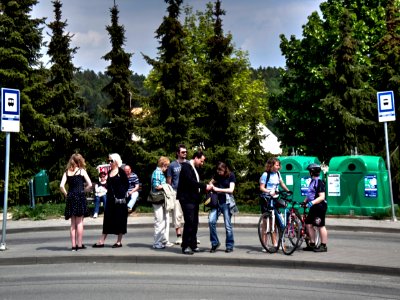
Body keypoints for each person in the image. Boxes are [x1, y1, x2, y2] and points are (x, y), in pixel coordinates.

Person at [177, 150, 212, 255]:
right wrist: (205, 186)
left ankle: (193, 244)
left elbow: (195, 183)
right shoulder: (187, 167)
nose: (202, 163)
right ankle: (185, 246)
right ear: (196, 158)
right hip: (187, 199)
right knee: (189, 221)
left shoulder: (195, 168)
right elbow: (190, 182)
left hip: (194, 199)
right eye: (201, 161)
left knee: (195, 222)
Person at [92, 153, 129, 248]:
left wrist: (121, 194)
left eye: (111, 161)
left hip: (120, 200)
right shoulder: (109, 173)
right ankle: (101, 241)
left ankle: (119, 242)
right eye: (108, 161)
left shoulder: (121, 172)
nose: (109, 162)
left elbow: (126, 185)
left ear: (116, 161)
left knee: (120, 220)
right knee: (107, 219)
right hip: (110, 200)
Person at [60, 153, 92, 251]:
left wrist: (67, 195)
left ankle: (73, 246)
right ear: (80, 161)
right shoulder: (82, 171)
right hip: (80, 196)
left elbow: (61, 186)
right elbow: (90, 184)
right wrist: (84, 190)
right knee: (80, 222)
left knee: (72, 223)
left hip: (71, 197)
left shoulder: (66, 172)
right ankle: (80, 244)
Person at [259, 157, 290, 251]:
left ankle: (275, 243)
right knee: (266, 223)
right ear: (271, 165)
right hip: (266, 199)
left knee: (275, 222)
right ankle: (264, 245)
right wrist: (269, 191)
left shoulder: (278, 173)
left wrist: (287, 190)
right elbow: (261, 187)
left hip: (275, 199)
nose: (278, 167)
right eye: (276, 165)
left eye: (279, 165)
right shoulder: (265, 175)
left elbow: (281, 183)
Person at [208, 162, 236, 253]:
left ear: (225, 169)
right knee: (211, 221)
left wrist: (218, 189)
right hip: (216, 202)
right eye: (218, 171)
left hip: (226, 202)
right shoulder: (217, 175)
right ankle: (215, 243)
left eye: (221, 171)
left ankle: (229, 245)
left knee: (228, 225)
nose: (219, 173)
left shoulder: (231, 175)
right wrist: (211, 186)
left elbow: (231, 190)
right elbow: (210, 182)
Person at [302, 163, 328, 252]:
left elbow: (322, 197)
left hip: (320, 207)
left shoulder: (319, 182)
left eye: (309, 171)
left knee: (320, 225)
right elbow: (310, 194)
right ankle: (312, 244)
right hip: (313, 206)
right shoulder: (312, 181)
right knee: (308, 224)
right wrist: (305, 201)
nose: (309, 173)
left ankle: (323, 245)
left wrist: (311, 203)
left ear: (312, 172)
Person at [151, 156, 174, 249]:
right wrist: (166, 185)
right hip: (157, 199)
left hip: (162, 199)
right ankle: (157, 243)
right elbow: (156, 186)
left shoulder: (160, 173)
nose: (167, 168)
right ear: (163, 164)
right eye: (167, 166)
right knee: (159, 221)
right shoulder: (157, 172)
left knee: (165, 220)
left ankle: (164, 240)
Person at [166, 144, 187, 245]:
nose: (185, 153)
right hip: (176, 192)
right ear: (178, 153)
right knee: (177, 215)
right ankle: (179, 237)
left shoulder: (188, 164)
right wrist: (170, 193)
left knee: (188, 215)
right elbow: (169, 180)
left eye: (186, 152)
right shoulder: (172, 165)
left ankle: (190, 236)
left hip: (187, 192)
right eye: (183, 152)